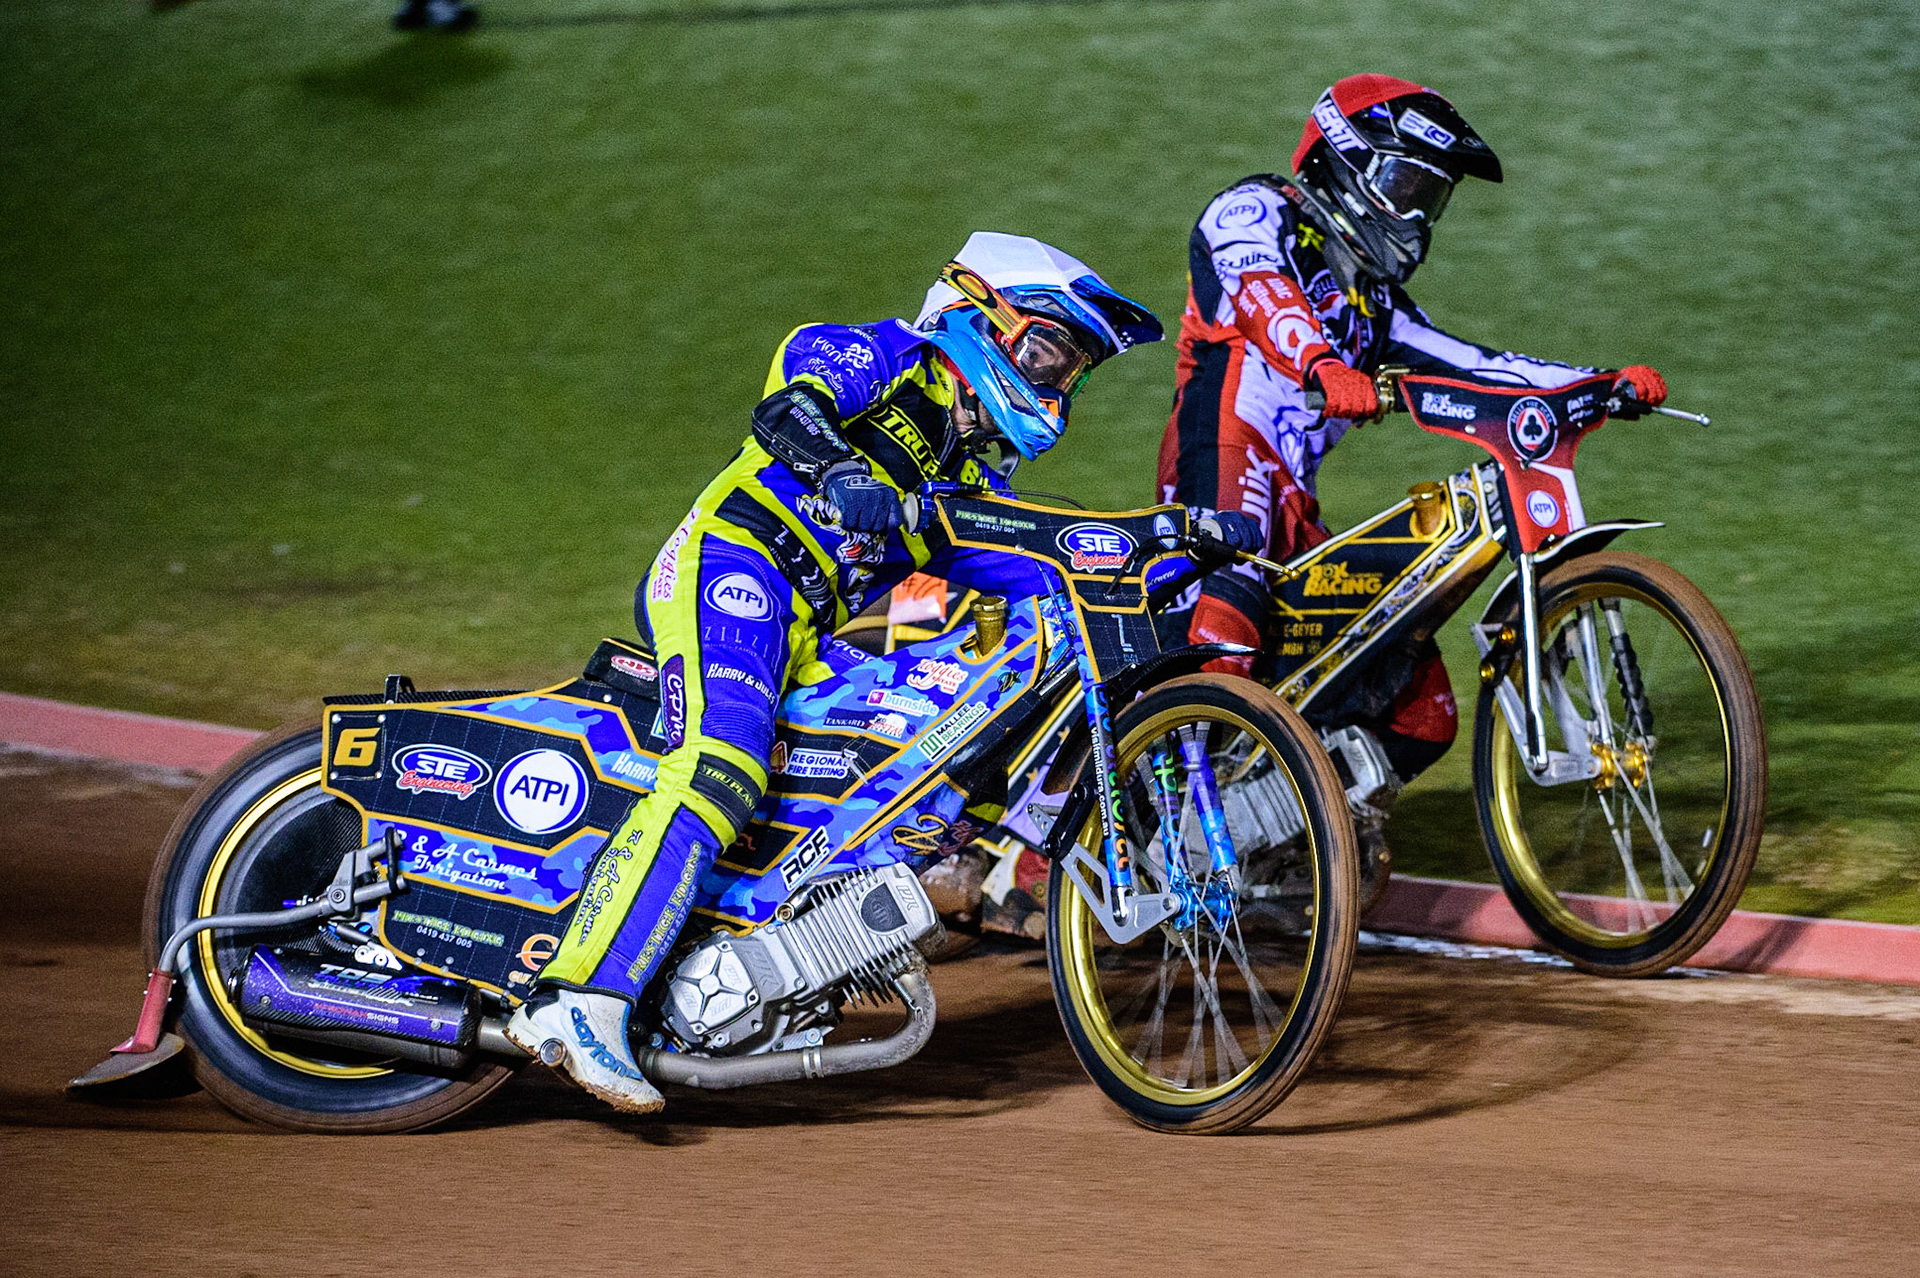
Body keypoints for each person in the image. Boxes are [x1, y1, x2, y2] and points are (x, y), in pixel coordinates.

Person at [506, 233, 1227, 1112]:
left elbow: (1051, 554)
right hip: (731, 570)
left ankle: (731, 961)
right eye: (1046, 350)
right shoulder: (881, 353)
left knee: (897, 769)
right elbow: (788, 410)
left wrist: (1175, 542)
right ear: (977, 316)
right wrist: (840, 466)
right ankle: (580, 999)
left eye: (1071, 370)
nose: (1056, 383)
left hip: (808, 629)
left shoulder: (961, 474)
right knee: (723, 769)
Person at [1158, 73, 1668, 827]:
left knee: (1422, 713)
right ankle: (1171, 821)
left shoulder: (1374, 301)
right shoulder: (1255, 210)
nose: (1421, 219)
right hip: (1222, 467)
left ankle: (1266, 840)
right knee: (1226, 609)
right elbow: (1263, 289)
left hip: (1297, 510)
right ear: (1345, 163)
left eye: (1434, 198)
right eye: (1407, 187)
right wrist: (1322, 365)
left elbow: (1474, 362)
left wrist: (1597, 385)